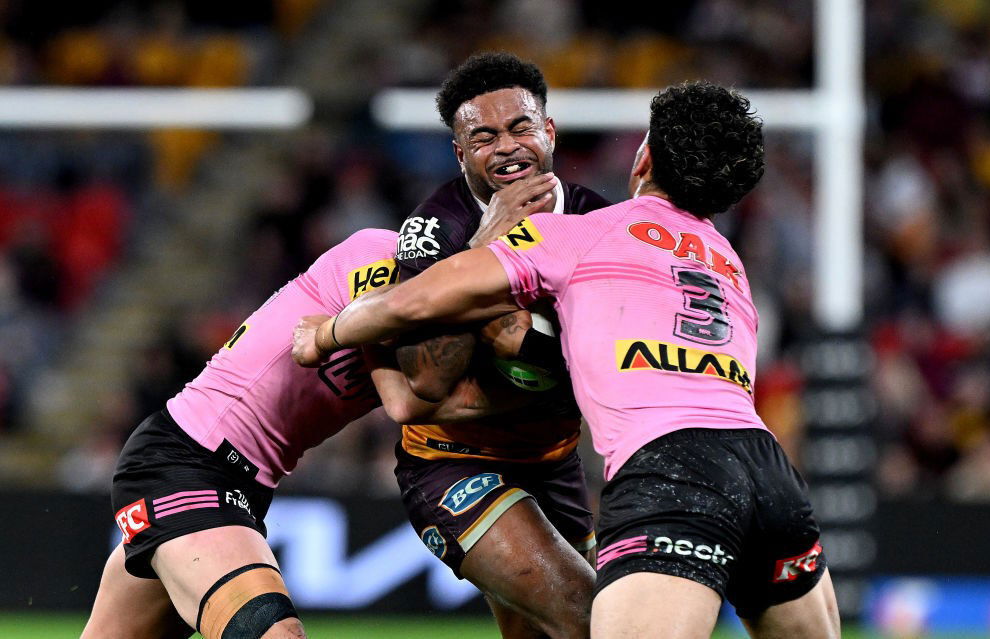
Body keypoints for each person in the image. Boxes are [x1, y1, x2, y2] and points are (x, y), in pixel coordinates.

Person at [296, 82, 842, 639]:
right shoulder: (727, 261)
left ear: (643, 158)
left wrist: (327, 332)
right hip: (766, 468)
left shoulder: (584, 232)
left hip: (670, 467)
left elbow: (417, 301)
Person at [81, 228, 528, 639]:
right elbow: (407, 402)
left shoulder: (442, 319)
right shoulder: (378, 256)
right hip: (187, 463)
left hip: (238, 483)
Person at [386, 51, 610, 639]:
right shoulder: (435, 229)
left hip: (554, 463)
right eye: (483, 137)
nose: (507, 146)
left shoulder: (600, 222)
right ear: (461, 153)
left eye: (520, 127)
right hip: (452, 460)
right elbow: (429, 381)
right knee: (590, 616)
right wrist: (484, 249)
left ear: (549, 132)